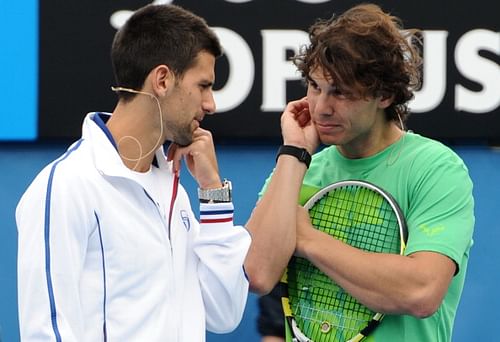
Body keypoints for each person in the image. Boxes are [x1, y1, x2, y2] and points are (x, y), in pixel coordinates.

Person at [16, 4, 251, 341]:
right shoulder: (67, 187)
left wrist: (213, 194)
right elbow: (46, 333)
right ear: (163, 80)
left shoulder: (175, 195)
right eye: (203, 85)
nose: (211, 104)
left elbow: (223, 313)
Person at [245, 3, 474, 341]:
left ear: (383, 94)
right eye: (314, 86)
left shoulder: (436, 169)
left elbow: (421, 291)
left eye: (340, 91)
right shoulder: (299, 170)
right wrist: (294, 154)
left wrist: (307, 239)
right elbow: (256, 274)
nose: (321, 107)